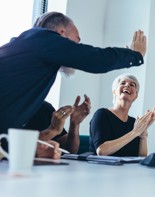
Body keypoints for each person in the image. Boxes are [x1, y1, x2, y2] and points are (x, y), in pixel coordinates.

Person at [0, 12, 146, 156]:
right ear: (62, 34)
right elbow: (93, 58)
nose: (76, 48)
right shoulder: (43, 38)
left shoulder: (26, 52)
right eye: (77, 42)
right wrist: (135, 55)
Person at [89, 74, 155, 157]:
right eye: (123, 83)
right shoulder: (102, 114)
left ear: (136, 96)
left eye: (132, 85)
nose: (127, 85)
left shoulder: (135, 123)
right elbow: (101, 151)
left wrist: (143, 133)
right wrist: (135, 132)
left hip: (127, 169)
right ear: (114, 91)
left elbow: (142, 157)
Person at [23, 95, 91, 154]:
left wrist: (74, 124)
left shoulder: (43, 107)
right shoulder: (13, 108)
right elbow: (19, 148)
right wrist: (53, 130)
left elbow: (69, 151)